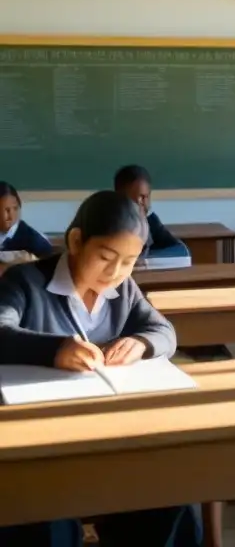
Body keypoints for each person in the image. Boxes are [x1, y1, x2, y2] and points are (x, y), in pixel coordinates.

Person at [0, 190, 202, 547]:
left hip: (117, 432)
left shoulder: (123, 290)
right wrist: (55, 349)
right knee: (44, 517)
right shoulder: (25, 282)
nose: (115, 272)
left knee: (174, 497)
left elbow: (164, 331)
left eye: (128, 262)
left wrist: (141, 343)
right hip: (46, 442)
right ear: (76, 241)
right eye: (106, 257)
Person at [113, 165, 190, 261]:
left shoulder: (151, 222)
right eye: (132, 199)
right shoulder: (111, 225)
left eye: (144, 197)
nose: (139, 203)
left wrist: (145, 259)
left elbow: (182, 251)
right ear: (119, 198)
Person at [0, 181, 53, 270]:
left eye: (15, 208)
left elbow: (48, 265)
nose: (11, 215)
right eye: (6, 210)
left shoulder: (34, 240)